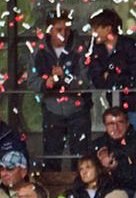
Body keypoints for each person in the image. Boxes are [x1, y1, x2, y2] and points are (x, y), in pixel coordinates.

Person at [31, 13, 91, 170]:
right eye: (59, 29)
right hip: (52, 110)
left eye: (67, 29)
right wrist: (46, 83)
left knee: (80, 157)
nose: (63, 33)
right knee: (52, 156)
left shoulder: (80, 49)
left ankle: (79, 191)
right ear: (49, 30)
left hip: (78, 110)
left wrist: (65, 78)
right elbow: (31, 80)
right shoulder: (40, 51)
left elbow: (85, 81)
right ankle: (52, 193)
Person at [84, 11, 136, 137]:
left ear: (108, 29)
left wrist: (110, 77)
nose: (93, 33)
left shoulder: (130, 46)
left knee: (133, 145)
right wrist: (119, 78)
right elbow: (96, 80)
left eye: (96, 29)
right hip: (116, 107)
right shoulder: (97, 50)